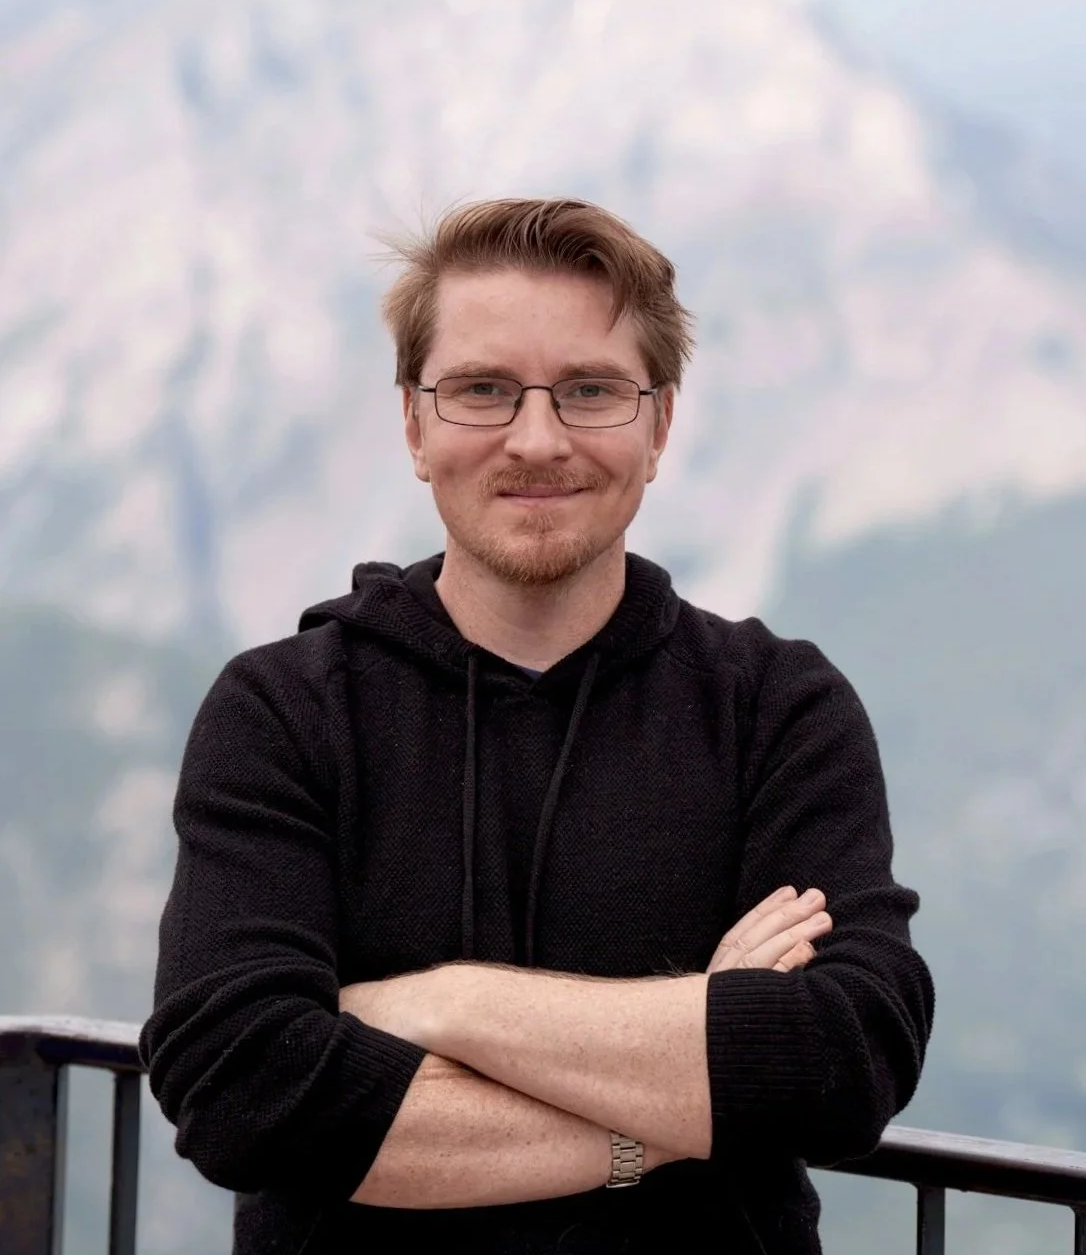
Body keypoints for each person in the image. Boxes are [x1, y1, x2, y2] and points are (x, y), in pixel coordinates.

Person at [141, 197, 935, 1255]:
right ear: (415, 426)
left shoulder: (776, 707)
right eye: (481, 390)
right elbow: (243, 1087)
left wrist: (444, 1005)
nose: (537, 437)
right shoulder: (286, 710)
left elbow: (847, 1058)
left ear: (658, 425)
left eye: (591, 391)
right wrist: (689, 1073)